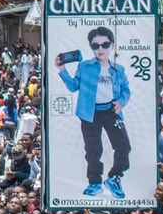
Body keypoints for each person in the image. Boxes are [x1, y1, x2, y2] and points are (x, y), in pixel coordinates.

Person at [55, 24, 131, 200]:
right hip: (90, 113)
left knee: (123, 147)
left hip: (111, 111)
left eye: (105, 44)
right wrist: (62, 69)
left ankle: (114, 177)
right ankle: (95, 182)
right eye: (95, 45)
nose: (100, 49)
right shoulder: (85, 66)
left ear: (111, 45)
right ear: (91, 47)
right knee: (93, 149)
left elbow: (126, 90)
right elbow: (74, 86)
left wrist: (121, 102)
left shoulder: (118, 69)